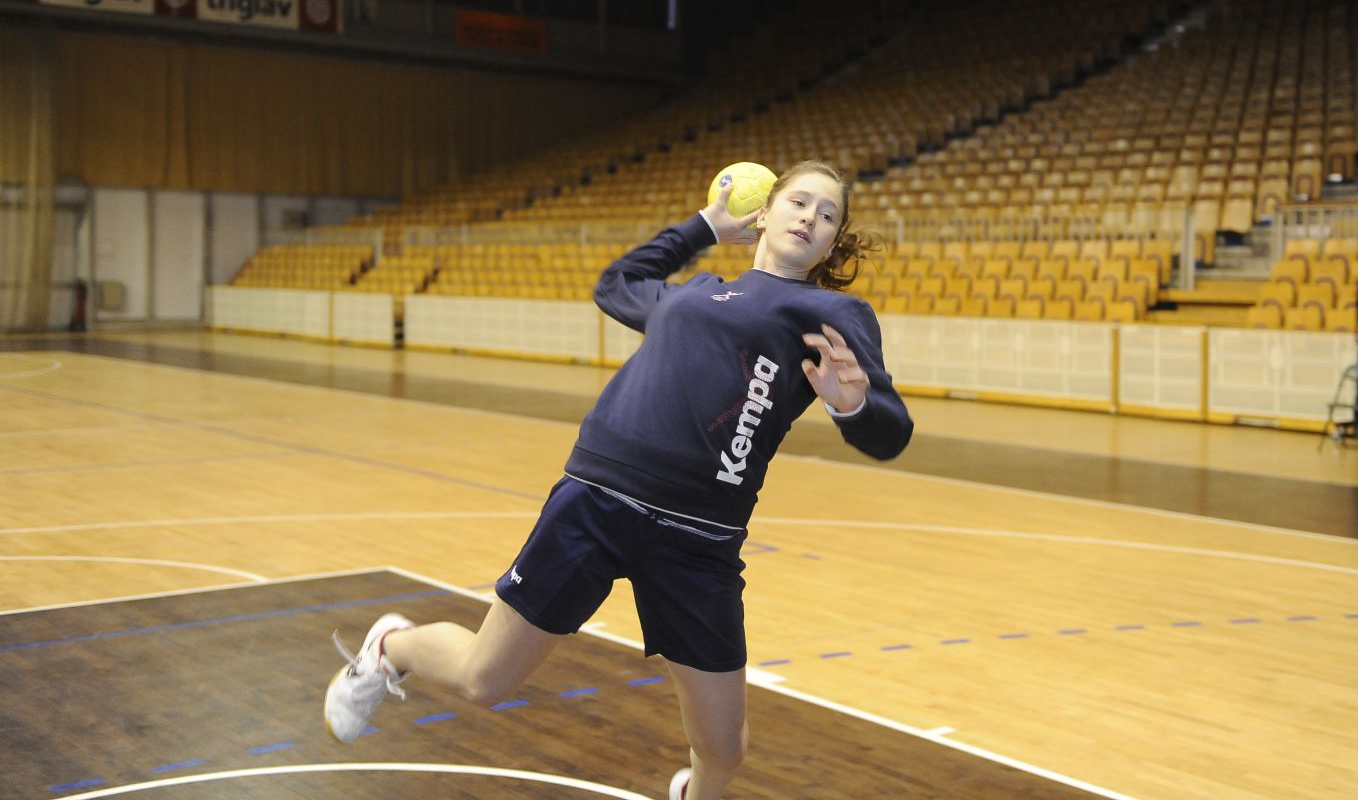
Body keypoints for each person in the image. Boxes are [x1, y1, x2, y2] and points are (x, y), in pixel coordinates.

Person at [322, 160, 914, 800]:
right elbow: (616, 284)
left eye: (827, 215)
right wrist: (703, 227)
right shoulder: (690, 295)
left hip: (700, 539)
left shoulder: (834, 313)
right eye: (798, 202)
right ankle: (392, 648)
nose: (810, 218)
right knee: (484, 681)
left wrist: (853, 405)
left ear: (832, 243)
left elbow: (891, 433)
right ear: (765, 213)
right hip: (597, 502)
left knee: (722, 749)